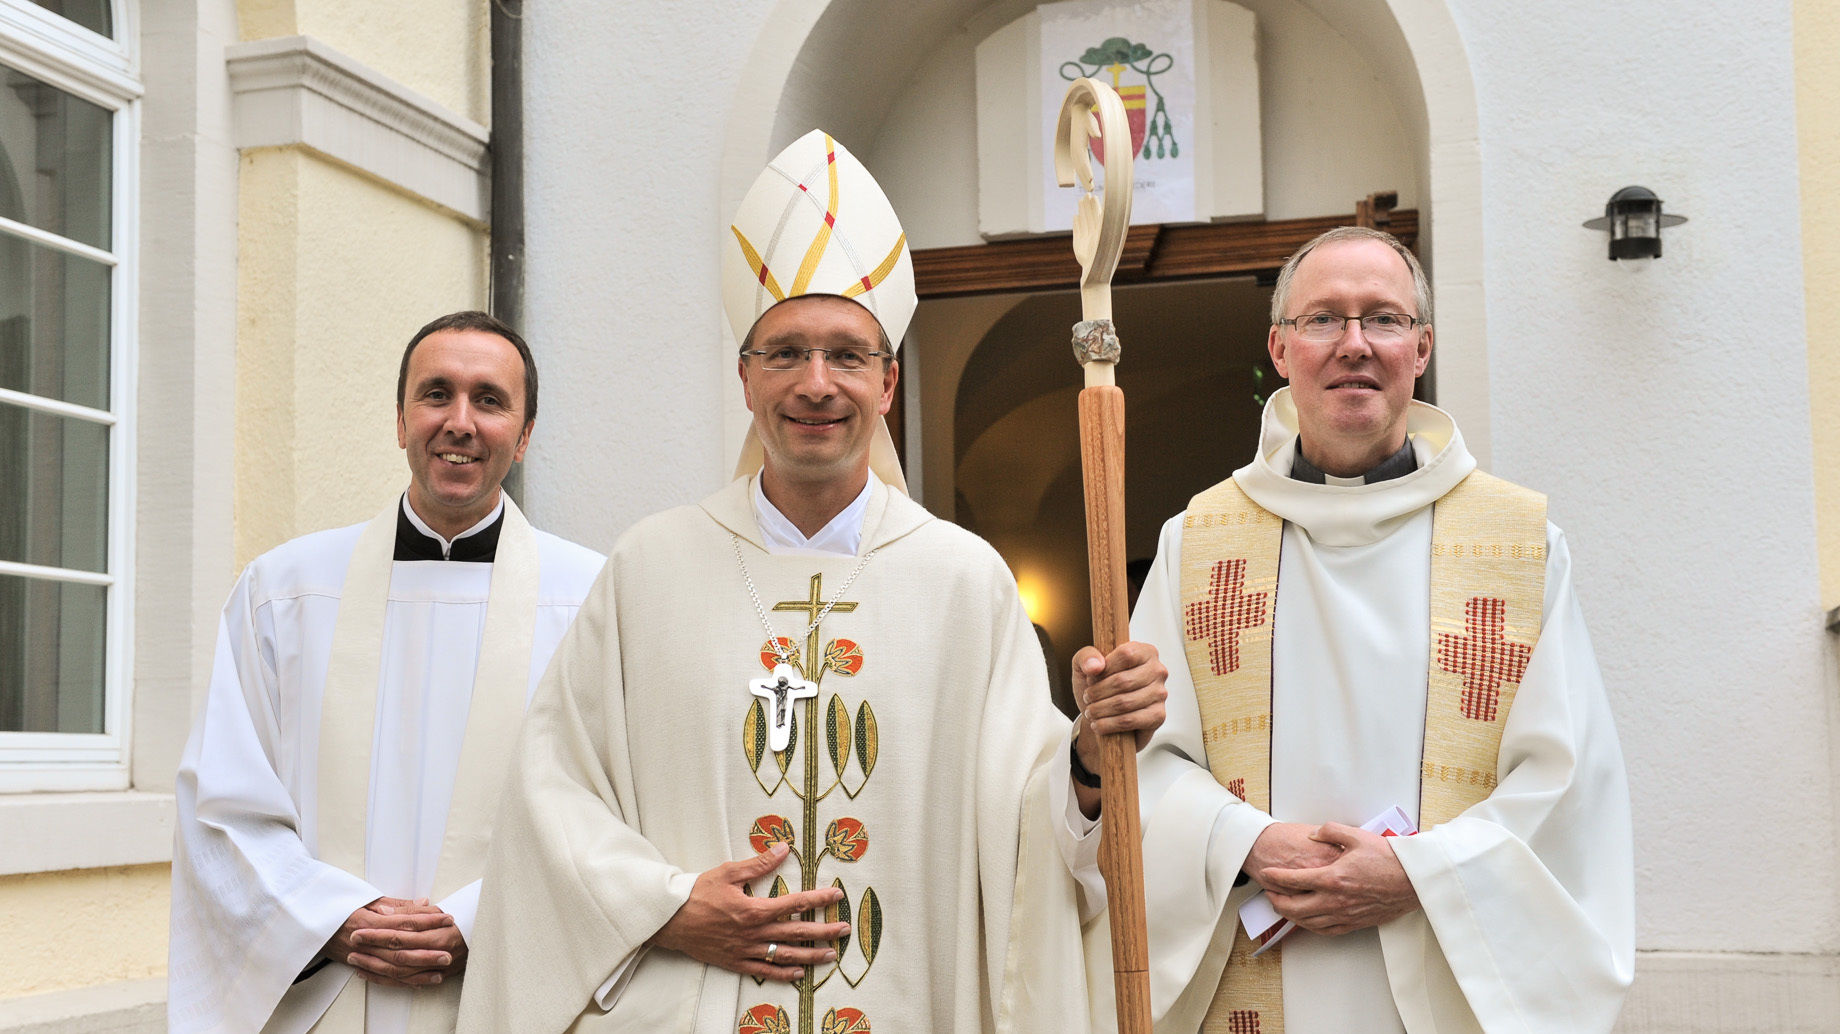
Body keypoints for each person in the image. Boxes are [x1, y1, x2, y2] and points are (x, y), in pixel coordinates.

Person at [456, 130, 1166, 1034]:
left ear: (888, 381)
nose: (816, 384)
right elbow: (549, 800)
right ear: (746, 380)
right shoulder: (650, 569)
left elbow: (1022, 835)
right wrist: (666, 907)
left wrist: (1087, 754)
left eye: (847, 355)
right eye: (785, 353)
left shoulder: (962, 583)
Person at [1064, 227, 1634, 1032]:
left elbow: (1569, 787)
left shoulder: (1518, 543)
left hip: (1437, 972)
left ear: (1423, 347)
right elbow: (1142, 767)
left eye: (1385, 320)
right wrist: (1242, 843)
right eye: (1324, 319)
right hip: (1253, 969)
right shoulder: (1199, 542)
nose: (1354, 345)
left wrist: (1419, 873)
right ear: (1281, 346)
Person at [167, 311, 606, 1034]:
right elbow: (222, 801)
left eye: (489, 400)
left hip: (504, 987)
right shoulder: (285, 589)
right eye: (436, 394)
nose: (459, 422)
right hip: (328, 987)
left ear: (525, 436)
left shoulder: (591, 598)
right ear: (401, 420)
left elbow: (609, 815)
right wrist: (332, 918)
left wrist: (476, 920)